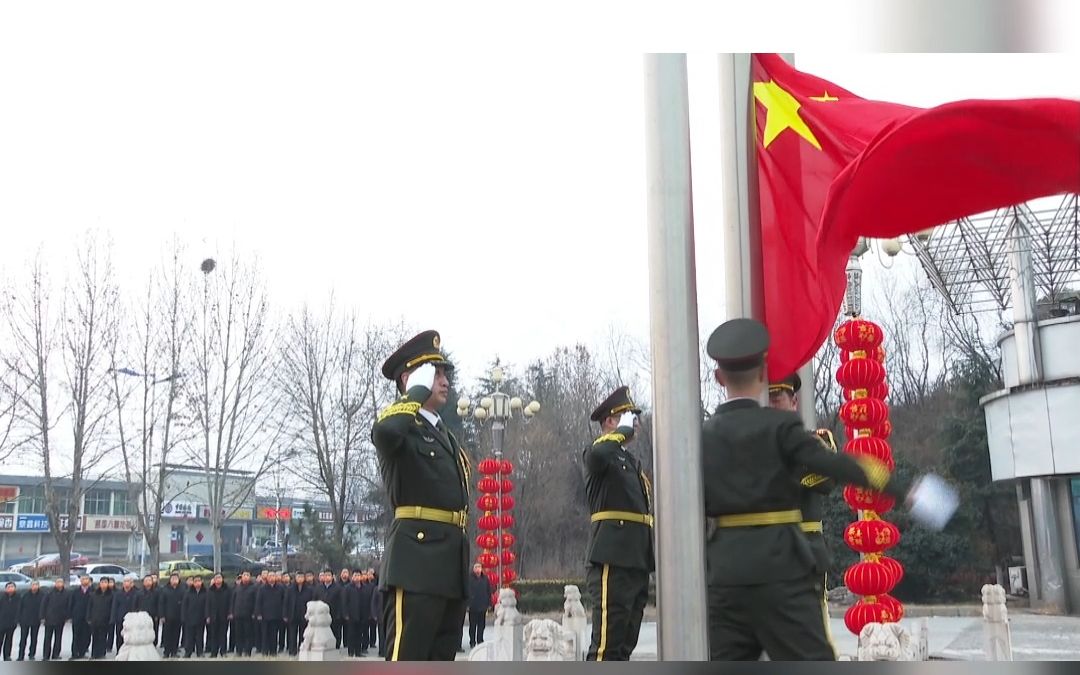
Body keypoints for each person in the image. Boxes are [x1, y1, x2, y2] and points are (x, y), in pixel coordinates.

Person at [701, 318, 958, 660]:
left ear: (719, 378)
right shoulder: (781, 427)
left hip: (725, 574)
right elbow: (842, 466)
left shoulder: (702, 436)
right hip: (783, 573)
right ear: (764, 373)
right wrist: (905, 492)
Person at [371, 330, 471, 661]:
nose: (444, 381)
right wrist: (414, 390)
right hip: (415, 564)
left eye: (444, 373)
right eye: (435, 373)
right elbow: (384, 433)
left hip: (449, 568)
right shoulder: (400, 424)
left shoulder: (444, 435)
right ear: (409, 378)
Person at [582, 385, 654, 661]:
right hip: (612, 558)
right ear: (610, 421)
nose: (633, 422)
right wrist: (621, 432)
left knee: (624, 647)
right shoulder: (600, 453)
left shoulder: (629, 461)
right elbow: (597, 455)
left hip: (636, 559)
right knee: (606, 648)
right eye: (626, 416)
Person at [770, 372, 839, 635]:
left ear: (794, 401)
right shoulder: (748, 444)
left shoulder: (814, 441)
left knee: (811, 633)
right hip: (764, 549)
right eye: (766, 398)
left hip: (804, 550)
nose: (771, 404)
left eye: (777, 397)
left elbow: (828, 478)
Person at [254, 571, 285, 657]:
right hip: (264, 615)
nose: (271, 578)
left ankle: (273, 651)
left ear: (276, 578)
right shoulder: (262, 588)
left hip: (276, 615)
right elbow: (258, 601)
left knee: (274, 634)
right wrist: (258, 613)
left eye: (273, 576)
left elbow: (284, 601)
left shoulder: (280, 588)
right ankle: (265, 650)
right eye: (270, 576)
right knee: (264, 634)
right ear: (267, 578)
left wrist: (283, 613)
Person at [40, 578, 70, 661]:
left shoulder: (66, 593)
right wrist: (42, 617)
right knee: (47, 638)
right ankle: (46, 655)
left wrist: (67, 616)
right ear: (55, 583)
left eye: (61, 582)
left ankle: (56, 654)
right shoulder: (49, 593)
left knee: (58, 637)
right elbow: (43, 605)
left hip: (60, 619)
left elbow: (68, 605)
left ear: (63, 583)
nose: (59, 584)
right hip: (49, 618)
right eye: (57, 582)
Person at [284, 570, 312, 655]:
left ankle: (302, 649)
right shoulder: (290, 589)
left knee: (303, 634)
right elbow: (286, 602)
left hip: (304, 615)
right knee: (292, 633)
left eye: (301, 577)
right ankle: (292, 651)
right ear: (295, 578)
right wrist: (285, 614)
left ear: (304, 578)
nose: (300, 579)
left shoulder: (309, 590)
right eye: (298, 577)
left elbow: (311, 603)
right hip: (293, 614)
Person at [313, 569, 343, 649]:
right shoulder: (318, 587)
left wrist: (339, 614)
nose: (326, 577)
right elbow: (315, 600)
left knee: (335, 631)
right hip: (321, 615)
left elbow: (341, 602)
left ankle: (336, 646)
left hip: (334, 613)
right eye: (325, 575)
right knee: (323, 631)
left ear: (332, 577)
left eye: (329, 575)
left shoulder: (338, 588)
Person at [345, 570, 372, 657]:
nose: (357, 577)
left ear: (361, 577)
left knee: (360, 634)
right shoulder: (348, 588)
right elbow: (344, 602)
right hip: (351, 615)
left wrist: (368, 613)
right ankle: (350, 651)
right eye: (355, 575)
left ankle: (358, 652)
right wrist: (346, 614)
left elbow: (368, 602)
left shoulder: (365, 588)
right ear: (352, 577)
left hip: (362, 614)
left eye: (358, 575)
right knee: (351, 634)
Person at [231, 571, 257, 657]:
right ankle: (239, 651)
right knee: (238, 634)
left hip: (249, 615)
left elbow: (256, 602)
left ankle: (247, 651)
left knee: (248, 634)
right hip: (238, 614)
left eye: (247, 575)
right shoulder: (237, 588)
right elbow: (233, 601)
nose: (245, 577)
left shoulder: (253, 588)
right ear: (241, 577)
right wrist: (232, 612)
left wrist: (254, 613)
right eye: (244, 575)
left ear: (250, 577)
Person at [466, 563, 492, 649]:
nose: (478, 569)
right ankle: (472, 641)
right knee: (472, 625)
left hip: (482, 606)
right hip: (473, 606)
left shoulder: (485, 579)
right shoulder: (469, 579)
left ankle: (480, 640)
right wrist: (467, 604)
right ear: (473, 569)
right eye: (476, 567)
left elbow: (488, 591)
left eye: (479, 567)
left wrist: (489, 603)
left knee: (482, 625)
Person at [17, 579, 44, 660]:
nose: (34, 586)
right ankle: (20, 655)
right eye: (33, 585)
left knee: (34, 638)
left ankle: (31, 654)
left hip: (36, 620)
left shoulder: (42, 595)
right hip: (25, 620)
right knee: (23, 638)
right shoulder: (25, 595)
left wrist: (42, 617)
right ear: (30, 586)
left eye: (36, 585)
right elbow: (20, 607)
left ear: (39, 586)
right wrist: (19, 618)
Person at [206, 574, 232, 658]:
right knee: (213, 635)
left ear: (222, 579)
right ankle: (214, 652)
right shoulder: (210, 590)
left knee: (223, 634)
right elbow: (207, 604)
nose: (218, 579)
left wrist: (230, 612)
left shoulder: (227, 589)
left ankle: (223, 652)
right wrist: (208, 616)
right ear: (214, 579)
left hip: (224, 615)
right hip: (213, 616)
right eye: (216, 578)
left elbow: (230, 602)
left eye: (220, 578)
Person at [159, 573, 184, 658]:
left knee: (176, 635)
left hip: (178, 616)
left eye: (176, 579)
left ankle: (174, 652)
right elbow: (161, 603)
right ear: (170, 580)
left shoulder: (182, 589)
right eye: (172, 579)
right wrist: (162, 615)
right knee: (167, 635)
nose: (174, 580)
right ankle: (166, 652)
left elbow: (184, 603)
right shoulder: (165, 589)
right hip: (167, 616)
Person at [181, 576, 207, 658]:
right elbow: (184, 606)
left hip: (201, 618)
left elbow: (207, 605)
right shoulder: (188, 592)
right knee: (189, 637)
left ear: (202, 581)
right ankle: (188, 652)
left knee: (200, 636)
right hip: (190, 618)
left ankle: (200, 652)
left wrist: (206, 616)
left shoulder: (205, 592)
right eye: (195, 581)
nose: (197, 583)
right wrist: (183, 617)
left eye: (199, 581)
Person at [110, 576, 138, 652]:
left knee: (131, 637)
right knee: (119, 636)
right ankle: (119, 651)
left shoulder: (136, 593)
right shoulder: (118, 594)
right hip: (120, 618)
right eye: (125, 581)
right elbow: (114, 607)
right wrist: (113, 619)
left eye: (128, 581)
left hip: (132, 619)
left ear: (132, 583)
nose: (126, 583)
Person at [88, 578, 113, 659]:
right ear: (99, 583)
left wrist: (111, 618)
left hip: (106, 619)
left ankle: (102, 653)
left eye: (105, 582)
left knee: (103, 637)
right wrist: (88, 617)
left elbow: (113, 608)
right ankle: (94, 654)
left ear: (108, 584)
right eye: (102, 582)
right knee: (95, 637)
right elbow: (89, 607)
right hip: (95, 619)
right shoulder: (94, 594)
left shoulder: (111, 595)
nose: (103, 584)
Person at [69, 575, 93, 659]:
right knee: (76, 635)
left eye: (86, 579)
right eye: (83, 579)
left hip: (88, 617)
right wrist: (71, 615)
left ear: (89, 581)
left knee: (86, 636)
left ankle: (82, 652)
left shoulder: (93, 591)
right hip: (77, 616)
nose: (85, 581)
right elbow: (71, 604)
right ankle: (74, 653)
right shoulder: (75, 591)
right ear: (80, 581)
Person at [134, 575, 161, 647]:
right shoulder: (139, 593)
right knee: (143, 631)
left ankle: (154, 645)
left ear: (152, 582)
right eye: (146, 581)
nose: (148, 582)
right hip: (142, 616)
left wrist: (158, 615)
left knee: (154, 630)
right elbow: (135, 605)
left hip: (153, 615)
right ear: (143, 583)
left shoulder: (157, 592)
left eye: (149, 580)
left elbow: (159, 604)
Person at [0, 582, 18, 660]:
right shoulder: (1, 596)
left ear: (15, 588)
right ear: (6, 588)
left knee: (9, 640)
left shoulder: (18, 597)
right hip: (1, 622)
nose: (10, 588)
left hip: (12, 623)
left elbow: (20, 609)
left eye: (12, 587)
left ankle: (7, 656)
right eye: (9, 587)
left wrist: (17, 620)